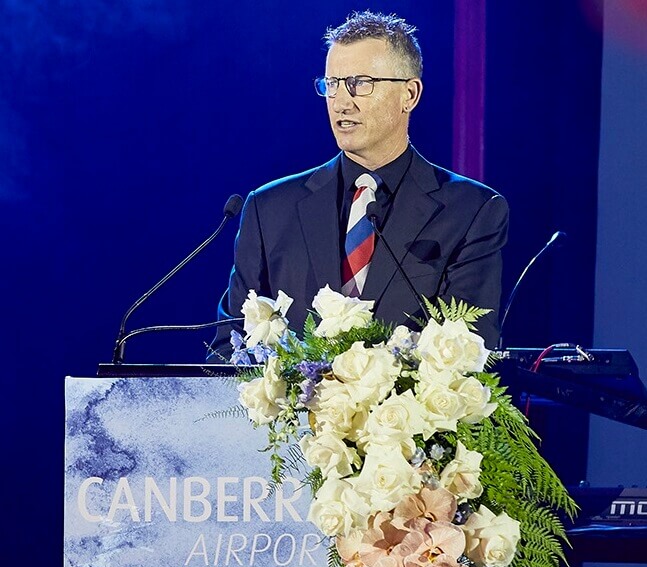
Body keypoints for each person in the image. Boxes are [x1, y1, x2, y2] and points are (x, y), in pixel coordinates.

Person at [209, 10, 508, 357]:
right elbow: (226, 351)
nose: (341, 101)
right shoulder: (269, 209)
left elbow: (470, 353)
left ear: (409, 94)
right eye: (332, 84)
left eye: (360, 83)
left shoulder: (472, 211)